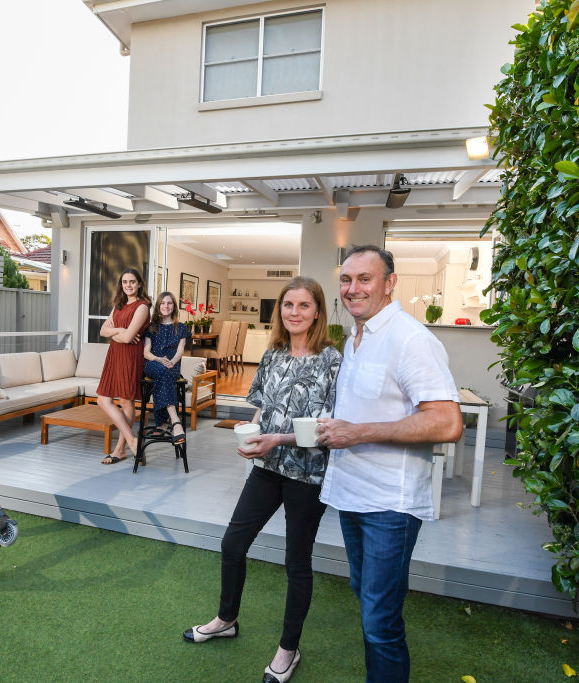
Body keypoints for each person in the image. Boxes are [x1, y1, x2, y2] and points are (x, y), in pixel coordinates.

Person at [184, 276, 342, 683]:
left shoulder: (333, 360)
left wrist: (278, 439)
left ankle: (288, 650)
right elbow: (262, 409)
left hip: (308, 475)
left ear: (318, 312)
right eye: (288, 305)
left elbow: (328, 426)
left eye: (304, 305)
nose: (294, 312)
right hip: (267, 468)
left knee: (296, 563)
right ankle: (226, 619)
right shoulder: (272, 355)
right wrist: (253, 437)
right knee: (233, 543)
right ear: (280, 312)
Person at [316, 246, 462, 683]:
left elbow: (447, 422)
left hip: (390, 506)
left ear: (390, 283)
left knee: (380, 621)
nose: (353, 288)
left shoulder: (411, 339)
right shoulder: (356, 338)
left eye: (365, 278)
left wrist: (357, 432)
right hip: (352, 495)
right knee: (367, 601)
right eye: (346, 279)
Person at [96, 268, 151, 464]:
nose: (128, 285)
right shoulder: (118, 305)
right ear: (121, 284)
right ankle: (132, 440)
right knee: (103, 399)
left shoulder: (142, 306)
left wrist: (117, 333)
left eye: (132, 282)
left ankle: (120, 450)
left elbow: (129, 339)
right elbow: (103, 331)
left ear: (139, 284)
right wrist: (119, 329)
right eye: (125, 282)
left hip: (130, 356)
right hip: (114, 355)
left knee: (126, 402)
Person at [143, 291, 191, 445]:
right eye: (162, 303)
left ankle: (162, 423)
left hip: (172, 366)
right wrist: (159, 360)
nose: (166, 306)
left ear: (174, 306)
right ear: (158, 307)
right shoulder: (151, 327)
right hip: (153, 364)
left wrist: (171, 362)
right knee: (163, 372)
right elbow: (146, 352)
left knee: (165, 374)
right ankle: (175, 421)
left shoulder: (181, 327)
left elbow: (180, 350)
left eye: (169, 303)